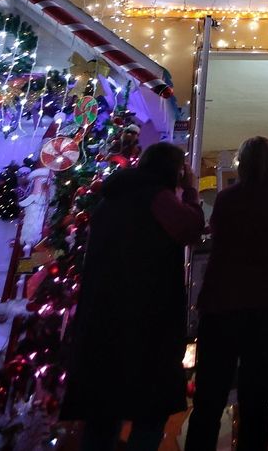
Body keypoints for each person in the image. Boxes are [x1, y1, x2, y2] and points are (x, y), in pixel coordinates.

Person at [62, 142, 205, 451]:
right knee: (150, 410)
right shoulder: (157, 196)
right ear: (173, 169)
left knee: (103, 414)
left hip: (102, 319)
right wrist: (191, 193)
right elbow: (191, 229)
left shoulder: (110, 200)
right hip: (144, 320)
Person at [186, 137, 268, 451]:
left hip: (223, 304)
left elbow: (218, 237)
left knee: (209, 397)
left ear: (243, 164)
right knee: (257, 397)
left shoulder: (227, 199)